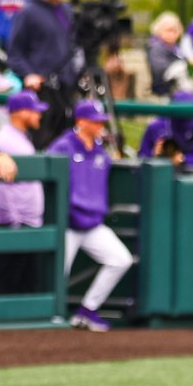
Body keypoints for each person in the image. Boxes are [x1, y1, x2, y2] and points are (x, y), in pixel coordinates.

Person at [48, 99, 132, 332]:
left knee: (120, 259)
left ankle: (87, 310)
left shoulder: (100, 151)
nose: (100, 125)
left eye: (101, 121)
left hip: (93, 223)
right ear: (81, 121)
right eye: (95, 121)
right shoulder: (63, 146)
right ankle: (49, 319)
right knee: (57, 274)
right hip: (68, 223)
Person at [7, 0, 78, 147]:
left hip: (66, 89)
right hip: (42, 91)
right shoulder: (28, 12)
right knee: (43, 141)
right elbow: (14, 52)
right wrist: (28, 74)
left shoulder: (66, 10)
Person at [0, 90, 48, 293]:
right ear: (21, 112)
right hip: (14, 223)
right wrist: (12, 220)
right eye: (34, 111)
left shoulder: (19, 137)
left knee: (25, 284)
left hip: (25, 222)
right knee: (9, 284)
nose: (39, 115)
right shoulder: (5, 138)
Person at [138, 91, 193, 171]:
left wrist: (183, 159)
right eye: (177, 113)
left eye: (186, 114)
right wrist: (153, 155)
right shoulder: (157, 126)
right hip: (157, 175)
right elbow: (141, 157)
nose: (181, 118)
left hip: (188, 178)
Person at [147, 12, 191, 98]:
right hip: (162, 93)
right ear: (159, 31)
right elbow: (160, 71)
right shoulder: (156, 47)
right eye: (168, 30)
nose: (171, 34)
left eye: (174, 31)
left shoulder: (177, 48)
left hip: (178, 88)